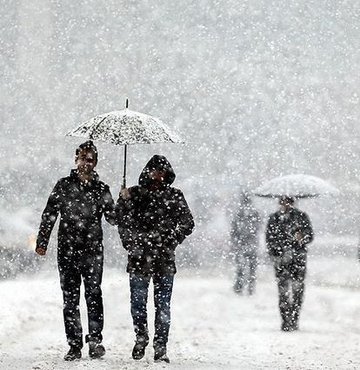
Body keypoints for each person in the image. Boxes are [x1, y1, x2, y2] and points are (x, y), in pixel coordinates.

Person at [35, 140, 117, 361]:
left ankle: (95, 341)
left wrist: (123, 202)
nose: (86, 163)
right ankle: (74, 344)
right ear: (76, 159)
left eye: (90, 159)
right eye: (82, 158)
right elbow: (49, 214)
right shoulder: (63, 186)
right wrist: (42, 241)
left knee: (93, 296)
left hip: (92, 252)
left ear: (96, 162)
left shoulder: (102, 190)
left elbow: (113, 218)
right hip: (67, 251)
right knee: (70, 299)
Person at [116, 154, 194, 363]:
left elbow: (188, 223)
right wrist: (122, 201)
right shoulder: (134, 194)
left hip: (164, 259)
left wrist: (171, 239)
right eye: (155, 171)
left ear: (167, 174)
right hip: (139, 257)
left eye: (162, 172)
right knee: (138, 303)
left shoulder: (175, 196)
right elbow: (119, 220)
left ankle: (161, 346)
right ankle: (141, 337)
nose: (158, 176)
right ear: (147, 172)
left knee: (163, 305)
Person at [265, 196, 313, 331]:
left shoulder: (301, 217)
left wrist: (302, 237)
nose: (284, 204)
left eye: (287, 201)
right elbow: (269, 239)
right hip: (281, 261)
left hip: (298, 260)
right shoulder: (274, 218)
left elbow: (310, 236)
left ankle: (294, 318)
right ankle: (286, 320)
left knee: (297, 290)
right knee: (283, 291)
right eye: (282, 201)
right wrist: (278, 251)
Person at [230, 191, 261, 295]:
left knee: (241, 268)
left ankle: (239, 287)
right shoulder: (254, 213)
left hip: (242, 244)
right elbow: (257, 227)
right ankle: (250, 288)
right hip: (251, 243)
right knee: (251, 268)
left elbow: (234, 230)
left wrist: (235, 241)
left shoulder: (239, 213)